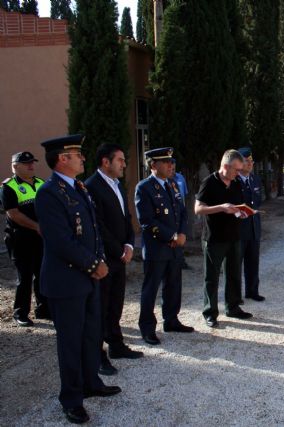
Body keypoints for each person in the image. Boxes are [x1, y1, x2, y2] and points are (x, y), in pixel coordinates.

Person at [35, 134, 120, 425]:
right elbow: (60, 240)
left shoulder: (78, 187)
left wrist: (99, 263)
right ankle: (71, 399)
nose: (83, 158)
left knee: (90, 335)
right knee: (70, 342)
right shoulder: (49, 193)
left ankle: (90, 382)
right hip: (67, 281)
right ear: (62, 159)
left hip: (88, 278)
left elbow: (91, 231)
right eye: (77, 154)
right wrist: (94, 264)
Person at [86, 144, 143, 376]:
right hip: (105, 258)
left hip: (121, 255)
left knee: (116, 304)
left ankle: (116, 345)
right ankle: (98, 356)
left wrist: (129, 244)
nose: (124, 164)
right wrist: (118, 249)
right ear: (105, 162)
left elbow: (126, 218)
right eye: (120, 160)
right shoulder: (92, 186)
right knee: (101, 307)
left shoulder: (117, 184)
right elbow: (97, 225)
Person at [135, 147, 193, 345]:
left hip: (175, 247)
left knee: (174, 285)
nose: (171, 165)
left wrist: (183, 233)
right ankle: (147, 328)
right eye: (166, 162)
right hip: (157, 248)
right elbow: (147, 221)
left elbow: (182, 212)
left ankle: (171, 319)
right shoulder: (144, 188)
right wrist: (173, 236)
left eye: (171, 162)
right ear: (153, 165)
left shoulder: (172, 185)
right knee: (150, 289)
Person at [194, 149, 253, 328]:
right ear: (225, 166)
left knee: (234, 274)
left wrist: (241, 213)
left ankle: (233, 307)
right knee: (211, 277)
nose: (238, 173)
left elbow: (238, 205)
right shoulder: (209, 182)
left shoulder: (235, 184)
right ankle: (210, 312)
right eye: (236, 170)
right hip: (214, 238)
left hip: (234, 236)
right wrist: (221, 207)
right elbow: (198, 209)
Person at [2, 151, 49, 326]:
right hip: (19, 238)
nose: (31, 166)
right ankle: (20, 313)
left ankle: (43, 309)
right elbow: (13, 214)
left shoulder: (41, 183)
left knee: (41, 273)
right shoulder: (9, 187)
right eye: (26, 163)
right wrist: (37, 226)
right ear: (15, 167)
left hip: (39, 238)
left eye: (32, 162)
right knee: (24, 276)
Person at [237, 147, 264, 302]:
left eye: (251, 161)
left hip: (254, 227)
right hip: (239, 229)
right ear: (239, 163)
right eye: (246, 161)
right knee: (236, 263)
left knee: (253, 261)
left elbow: (257, 202)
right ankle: (236, 295)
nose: (249, 164)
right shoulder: (234, 181)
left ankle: (252, 291)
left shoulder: (255, 179)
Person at [169, 159, 191, 270]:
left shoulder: (180, 178)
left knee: (181, 236)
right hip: (170, 215)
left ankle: (181, 261)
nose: (172, 170)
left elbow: (184, 195)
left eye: (174, 168)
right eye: (170, 168)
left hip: (180, 210)